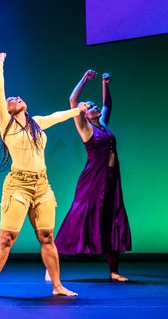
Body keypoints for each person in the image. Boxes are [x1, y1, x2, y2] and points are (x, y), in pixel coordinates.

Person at [0, 52, 87, 299]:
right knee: (6, 238)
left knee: (47, 237)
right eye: (12, 99)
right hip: (17, 186)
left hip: (42, 186)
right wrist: (0, 63)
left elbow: (56, 117)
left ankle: (57, 286)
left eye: (18, 96)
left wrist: (76, 111)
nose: (17, 98)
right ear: (6, 109)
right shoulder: (6, 124)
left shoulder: (35, 123)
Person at [53, 70, 132, 281]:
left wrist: (105, 84)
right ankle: (51, 264)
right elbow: (72, 100)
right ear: (84, 114)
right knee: (80, 219)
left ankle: (114, 271)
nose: (94, 107)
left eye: (93, 105)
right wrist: (85, 79)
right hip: (92, 181)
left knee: (111, 219)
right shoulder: (85, 128)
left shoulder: (103, 125)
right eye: (89, 107)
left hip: (111, 181)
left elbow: (107, 105)